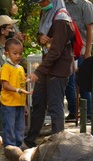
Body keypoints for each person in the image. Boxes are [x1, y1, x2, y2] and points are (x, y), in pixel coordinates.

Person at [22, 0, 75, 149]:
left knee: (55, 106)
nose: (39, 3)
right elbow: (43, 36)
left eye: (42, 0)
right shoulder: (45, 12)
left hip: (58, 69)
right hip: (47, 67)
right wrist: (41, 38)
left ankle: (58, 146)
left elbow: (56, 50)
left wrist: (38, 71)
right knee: (38, 102)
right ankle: (30, 141)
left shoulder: (62, 19)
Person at [64, 0, 93, 122]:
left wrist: (87, 51)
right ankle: (73, 112)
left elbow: (90, 30)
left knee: (83, 83)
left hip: (81, 50)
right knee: (68, 83)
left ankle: (88, 114)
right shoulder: (63, 4)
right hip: (67, 51)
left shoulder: (85, 5)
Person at [0, 38, 32, 147]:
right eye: (15, 53)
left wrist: (26, 104)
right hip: (8, 103)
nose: (18, 56)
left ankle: (18, 146)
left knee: (20, 126)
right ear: (7, 53)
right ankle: (10, 147)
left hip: (19, 103)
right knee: (9, 126)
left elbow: (22, 85)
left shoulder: (21, 68)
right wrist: (17, 90)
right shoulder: (6, 67)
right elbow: (5, 85)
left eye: (20, 53)